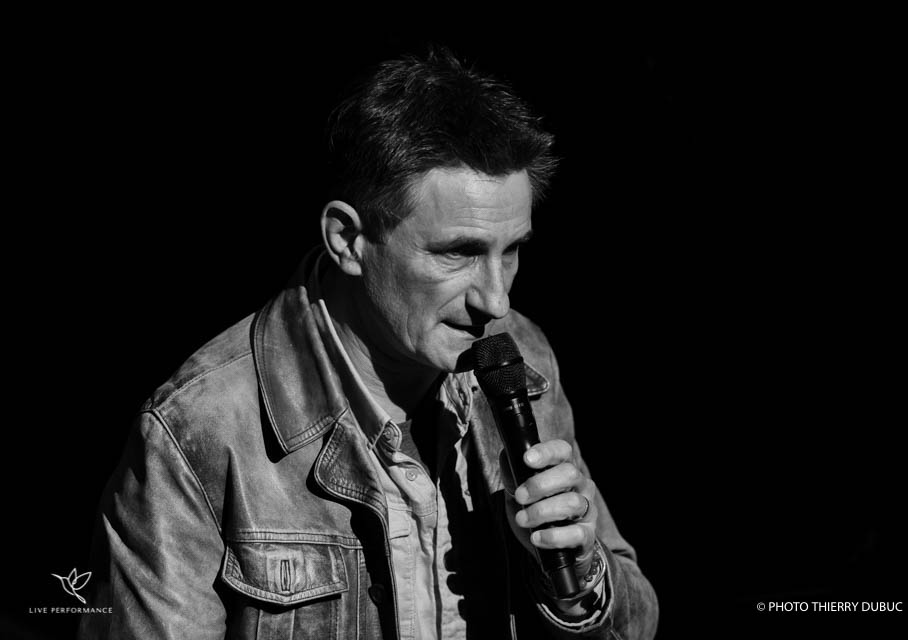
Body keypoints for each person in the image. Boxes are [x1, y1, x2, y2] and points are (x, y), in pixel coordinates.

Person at [79, 48, 658, 640]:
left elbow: (639, 620)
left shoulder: (521, 359)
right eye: (458, 253)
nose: (496, 300)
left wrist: (575, 577)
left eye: (510, 251)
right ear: (348, 240)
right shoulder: (201, 428)